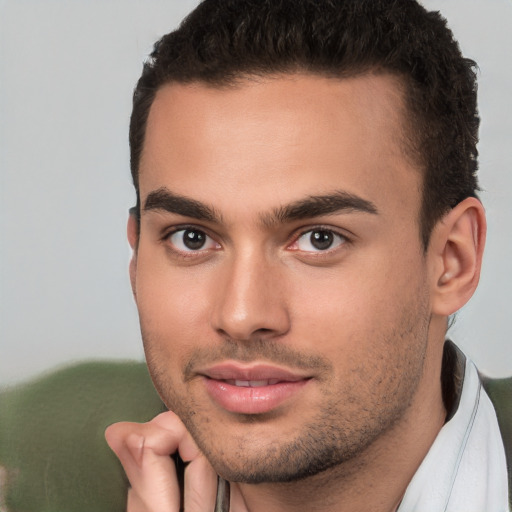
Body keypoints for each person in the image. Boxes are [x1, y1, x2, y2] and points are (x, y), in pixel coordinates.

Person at [105, 0, 510, 510]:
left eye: (320, 239)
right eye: (192, 238)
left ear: (452, 260)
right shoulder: (23, 467)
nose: (242, 315)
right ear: (138, 255)